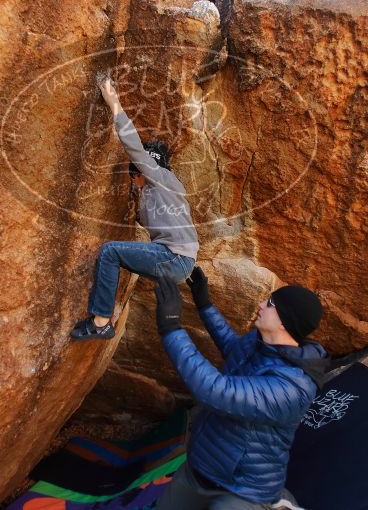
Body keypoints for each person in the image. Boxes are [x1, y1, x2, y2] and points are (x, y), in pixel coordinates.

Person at [153, 268, 330, 509]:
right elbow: (233, 348)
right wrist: (204, 304)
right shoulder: (260, 342)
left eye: (269, 303)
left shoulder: (292, 387)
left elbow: (214, 391)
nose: (260, 304)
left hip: (241, 491)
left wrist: (171, 328)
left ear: (285, 321)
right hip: (200, 469)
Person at [70, 78, 199, 340]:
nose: (135, 181)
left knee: (110, 252)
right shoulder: (167, 188)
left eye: (136, 176)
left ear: (140, 173)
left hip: (173, 258)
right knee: (120, 255)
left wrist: (114, 102)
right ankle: (103, 317)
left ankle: (101, 322)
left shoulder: (158, 176)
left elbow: (135, 149)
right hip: (180, 262)